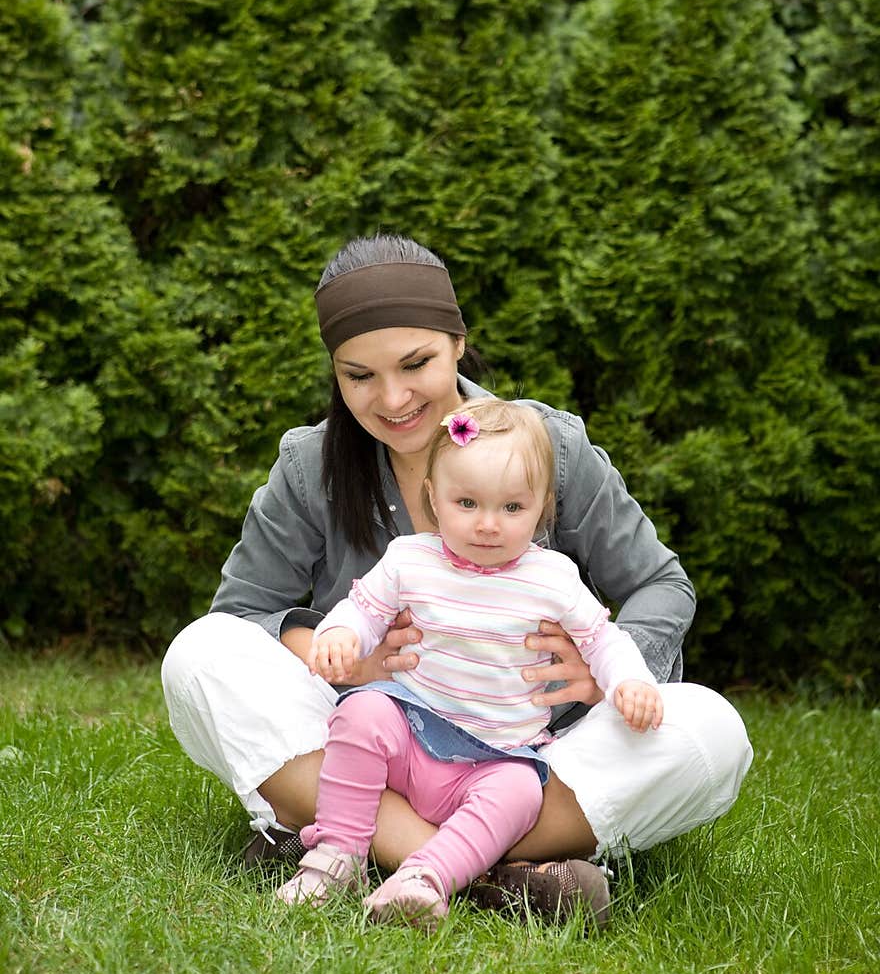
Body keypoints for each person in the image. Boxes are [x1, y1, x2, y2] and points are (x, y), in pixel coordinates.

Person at [161, 233, 753, 929]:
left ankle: (353, 847)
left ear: (458, 341)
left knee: (712, 731)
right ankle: (488, 877)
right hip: (369, 740)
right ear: (334, 370)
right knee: (197, 656)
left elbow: (661, 582)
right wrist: (347, 654)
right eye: (359, 376)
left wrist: (608, 675)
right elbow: (241, 616)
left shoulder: (548, 445)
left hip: (522, 758)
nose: (392, 398)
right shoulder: (309, 465)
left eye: (416, 363)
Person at [277, 397, 663, 929]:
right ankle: (336, 856)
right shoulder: (411, 558)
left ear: (542, 506)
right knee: (360, 714)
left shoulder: (551, 577)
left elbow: (604, 640)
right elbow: (363, 609)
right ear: (434, 499)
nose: (487, 525)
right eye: (467, 504)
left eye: (511, 508)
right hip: (410, 734)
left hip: (494, 757)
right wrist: (341, 633)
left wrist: (630, 681)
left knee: (522, 791)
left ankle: (425, 878)